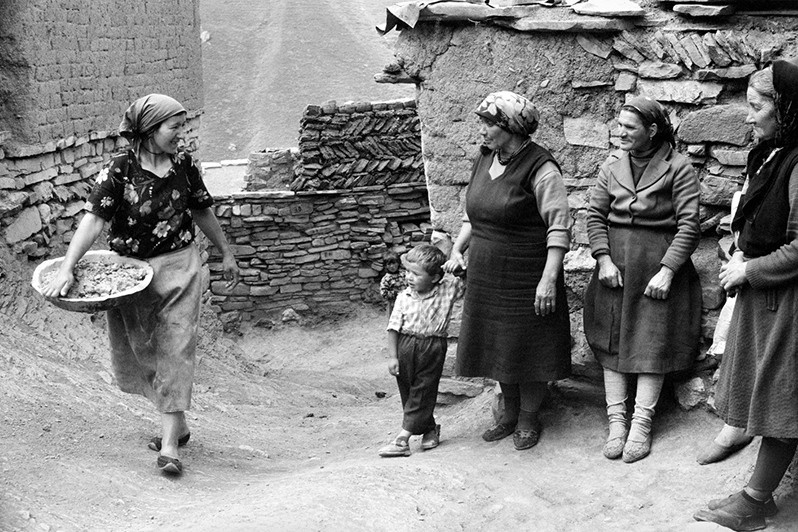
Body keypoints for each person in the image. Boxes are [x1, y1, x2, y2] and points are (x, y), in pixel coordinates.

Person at [43, 94, 240, 475]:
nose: (180, 135)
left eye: (182, 127)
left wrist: (225, 252)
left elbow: (200, 209)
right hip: (131, 275)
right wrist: (69, 266)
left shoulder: (184, 164)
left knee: (175, 348)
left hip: (181, 267)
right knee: (142, 350)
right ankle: (178, 426)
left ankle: (169, 448)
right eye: (174, 127)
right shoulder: (119, 170)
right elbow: (94, 221)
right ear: (149, 131)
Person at [693, 60, 798, 531]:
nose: (749, 117)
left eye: (757, 107)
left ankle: (756, 501)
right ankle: (755, 490)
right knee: (765, 389)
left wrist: (750, 268)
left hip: (789, 302)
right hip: (765, 295)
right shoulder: (773, 153)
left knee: (782, 396)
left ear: (786, 109)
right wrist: (737, 248)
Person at [443, 91, 571, 451]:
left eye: (488, 123)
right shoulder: (485, 158)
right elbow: (473, 213)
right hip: (486, 274)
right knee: (499, 346)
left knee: (527, 348)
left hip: (527, 275)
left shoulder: (542, 168)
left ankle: (529, 418)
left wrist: (548, 279)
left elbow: (559, 228)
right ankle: (509, 413)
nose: (481, 130)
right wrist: (458, 246)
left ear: (510, 127)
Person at [584, 95, 701, 463]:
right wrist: (603, 259)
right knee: (610, 339)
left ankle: (641, 423)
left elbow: (689, 225)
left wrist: (668, 271)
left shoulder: (678, 167)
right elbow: (594, 216)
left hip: (656, 265)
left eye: (629, 128)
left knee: (652, 341)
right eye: (618, 126)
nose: (620, 133)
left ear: (652, 131)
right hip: (615, 266)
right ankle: (616, 421)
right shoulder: (612, 166)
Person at [378, 244, 465, 457]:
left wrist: (458, 268)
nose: (409, 277)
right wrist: (393, 357)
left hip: (433, 347)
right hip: (405, 345)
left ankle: (402, 440)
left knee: (423, 390)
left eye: (416, 274)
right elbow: (392, 328)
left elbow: (468, 283)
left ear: (435, 278)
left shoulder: (446, 290)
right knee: (409, 391)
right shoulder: (403, 297)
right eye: (408, 271)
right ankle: (429, 429)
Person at [379, 250, 406, 319]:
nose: (392, 266)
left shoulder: (404, 274)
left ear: (398, 263)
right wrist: (397, 293)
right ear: (385, 266)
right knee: (395, 320)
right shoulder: (386, 279)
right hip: (394, 304)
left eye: (394, 263)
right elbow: (383, 293)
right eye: (389, 264)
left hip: (406, 302)